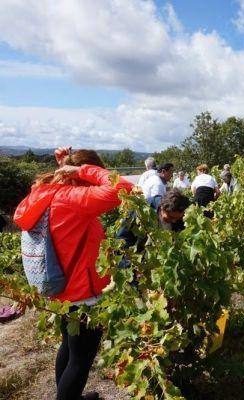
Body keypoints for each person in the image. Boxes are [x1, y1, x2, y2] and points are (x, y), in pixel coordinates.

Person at [14, 146, 133, 400]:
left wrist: (66, 169)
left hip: (62, 289)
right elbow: (124, 189)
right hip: (83, 295)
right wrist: (85, 170)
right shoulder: (75, 199)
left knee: (69, 346)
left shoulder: (46, 192)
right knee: (80, 361)